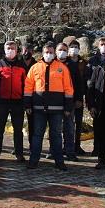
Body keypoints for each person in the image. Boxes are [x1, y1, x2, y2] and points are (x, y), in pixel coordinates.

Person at [24, 42, 74, 171]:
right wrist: (28, 104)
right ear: (42, 53)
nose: (49, 54)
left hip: (57, 109)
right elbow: (28, 87)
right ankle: (33, 160)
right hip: (39, 109)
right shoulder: (35, 68)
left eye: (51, 52)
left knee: (56, 135)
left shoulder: (62, 67)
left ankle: (59, 161)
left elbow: (68, 88)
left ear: (54, 53)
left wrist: (68, 107)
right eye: (46, 52)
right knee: (37, 135)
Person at [0, 41, 27, 162]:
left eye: (13, 48)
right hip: (2, 102)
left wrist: (26, 102)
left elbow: (26, 85)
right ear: (4, 50)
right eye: (8, 48)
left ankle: (19, 153)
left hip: (18, 102)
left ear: (17, 50)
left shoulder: (22, 66)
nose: (10, 50)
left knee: (18, 129)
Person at [51, 42, 85, 162]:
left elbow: (78, 83)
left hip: (69, 100)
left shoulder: (72, 65)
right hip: (54, 101)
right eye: (60, 49)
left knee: (69, 127)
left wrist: (78, 99)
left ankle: (70, 151)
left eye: (65, 50)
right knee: (55, 128)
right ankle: (54, 150)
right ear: (55, 50)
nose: (62, 52)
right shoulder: (50, 63)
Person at [87, 37, 105, 157]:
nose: (104, 46)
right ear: (98, 46)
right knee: (98, 126)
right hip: (98, 98)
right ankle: (97, 148)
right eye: (102, 44)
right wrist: (90, 102)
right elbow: (89, 80)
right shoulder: (93, 61)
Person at [20, 42, 36, 151]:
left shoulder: (37, 64)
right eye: (24, 50)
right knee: (18, 124)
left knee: (33, 124)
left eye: (29, 51)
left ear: (33, 52)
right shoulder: (17, 63)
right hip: (19, 96)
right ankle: (19, 147)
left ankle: (32, 146)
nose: (26, 53)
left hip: (32, 97)